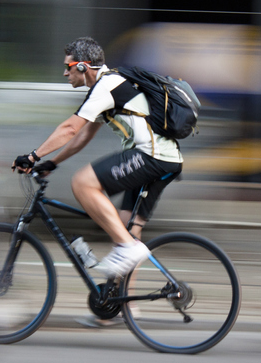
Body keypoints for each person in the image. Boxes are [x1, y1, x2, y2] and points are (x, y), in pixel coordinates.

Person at [12, 36, 182, 281]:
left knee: (83, 182)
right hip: (165, 159)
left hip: (151, 156)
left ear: (82, 66)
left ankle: (128, 248)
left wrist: (32, 156)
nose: (64, 73)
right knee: (124, 231)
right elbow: (81, 137)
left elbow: (70, 128)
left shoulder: (107, 85)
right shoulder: (106, 89)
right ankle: (123, 309)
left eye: (67, 67)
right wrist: (52, 163)